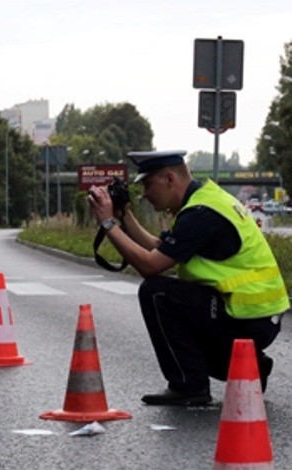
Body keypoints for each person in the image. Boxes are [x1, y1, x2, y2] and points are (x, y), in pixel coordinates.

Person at [87, 150, 289, 406]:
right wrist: (123, 216)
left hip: (247, 316)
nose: (145, 195)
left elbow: (150, 266)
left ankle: (189, 385)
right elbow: (160, 248)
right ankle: (249, 366)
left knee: (156, 292)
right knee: (172, 296)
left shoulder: (200, 214)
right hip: (254, 315)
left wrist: (107, 224)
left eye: (149, 185)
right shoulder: (205, 201)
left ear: (170, 178)